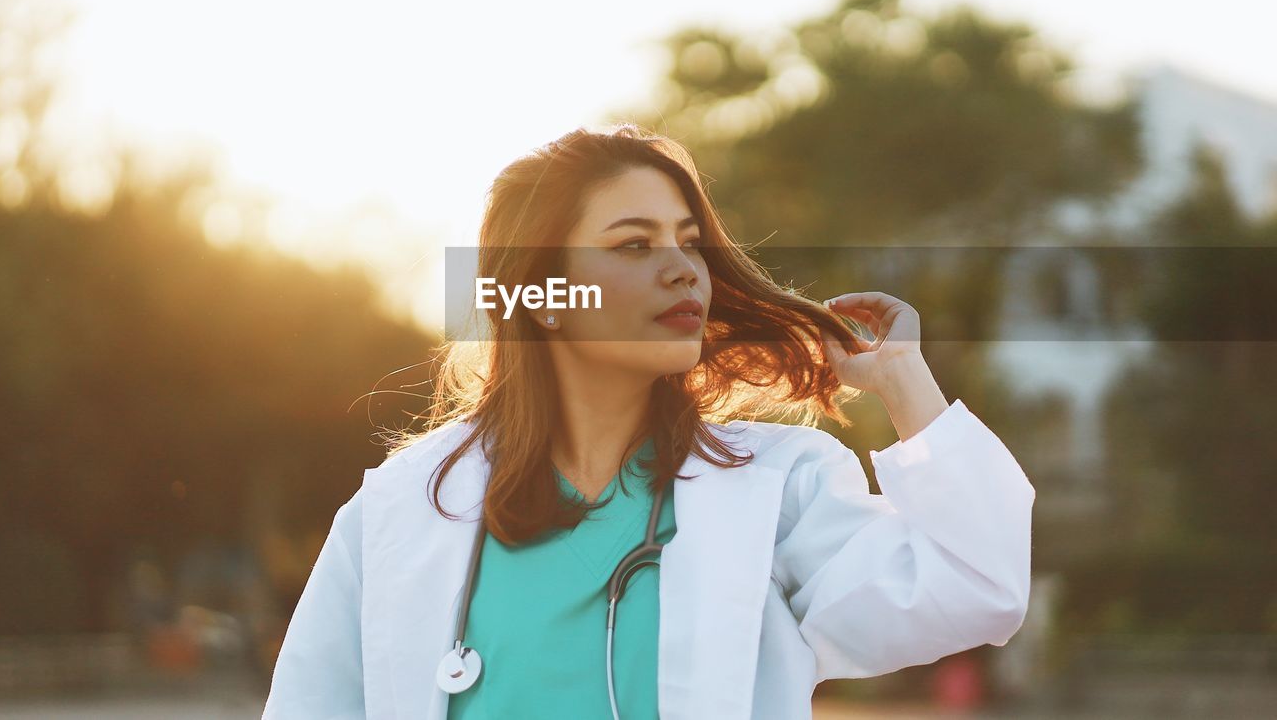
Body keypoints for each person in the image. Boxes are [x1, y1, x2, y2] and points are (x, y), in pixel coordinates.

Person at [261, 124, 1035, 720]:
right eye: (634, 244)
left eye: (688, 243)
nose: (682, 267)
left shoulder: (771, 491)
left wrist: (902, 378)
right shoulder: (399, 511)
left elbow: (978, 585)